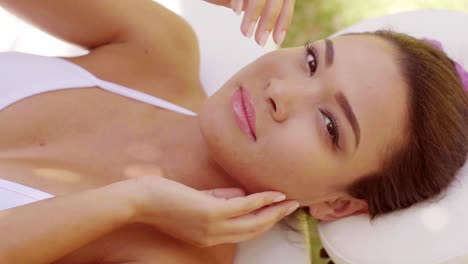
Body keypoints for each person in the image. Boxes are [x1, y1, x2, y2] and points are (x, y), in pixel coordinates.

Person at [0, 1, 466, 263]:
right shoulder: (158, 48)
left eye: (329, 124)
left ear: (337, 204)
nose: (279, 90)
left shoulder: (167, 258)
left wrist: (131, 201)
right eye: (310, 61)